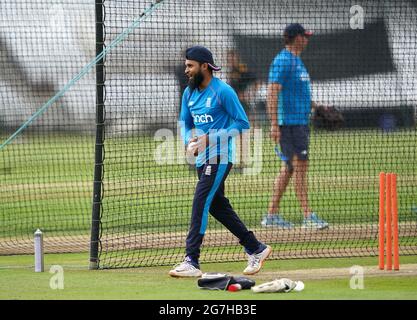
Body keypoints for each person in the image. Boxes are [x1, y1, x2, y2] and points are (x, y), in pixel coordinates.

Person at [169, 45, 271, 277]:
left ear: (204, 66)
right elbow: (184, 122)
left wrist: (210, 139)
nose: (186, 70)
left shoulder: (223, 91)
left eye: (190, 66)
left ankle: (191, 260)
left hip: (220, 157)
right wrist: (189, 142)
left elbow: (242, 123)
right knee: (217, 206)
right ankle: (256, 247)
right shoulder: (189, 93)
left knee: (200, 202)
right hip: (201, 159)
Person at [262, 23, 329, 230]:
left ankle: (271, 215)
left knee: (291, 168)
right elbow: (272, 92)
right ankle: (308, 216)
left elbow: (299, 93)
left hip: (299, 123)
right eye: (304, 36)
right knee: (299, 166)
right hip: (288, 124)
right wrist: (274, 124)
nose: (307, 39)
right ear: (295, 37)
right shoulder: (283, 61)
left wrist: (318, 107)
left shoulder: (296, 60)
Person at [226, 49, 259, 170]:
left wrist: (248, 94)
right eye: (229, 59)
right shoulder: (230, 71)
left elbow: (256, 82)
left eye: (232, 58)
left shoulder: (243, 69)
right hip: (233, 105)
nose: (230, 61)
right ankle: (237, 161)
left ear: (237, 58)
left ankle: (241, 162)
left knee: (240, 133)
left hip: (242, 105)